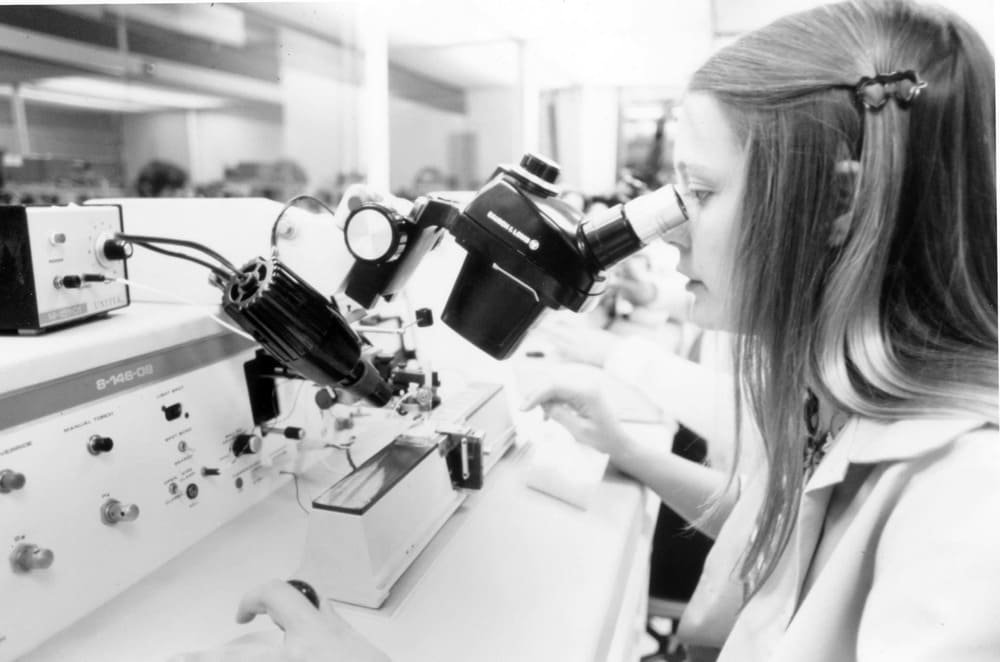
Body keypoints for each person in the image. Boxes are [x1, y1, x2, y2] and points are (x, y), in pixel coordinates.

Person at [236, 1, 998, 659]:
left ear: (836, 207)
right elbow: (776, 537)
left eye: (698, 191)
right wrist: (628, 449)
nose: (668, 235)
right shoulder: (837, 397)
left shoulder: (967, 502)